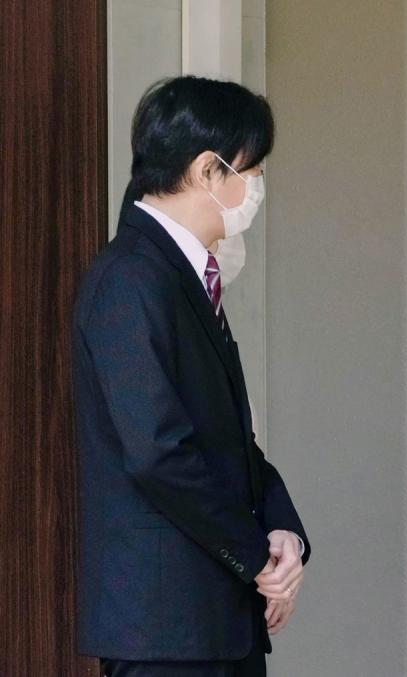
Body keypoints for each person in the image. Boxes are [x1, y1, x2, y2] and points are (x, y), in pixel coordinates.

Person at [72, 76, 309, 677]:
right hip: (166, 629)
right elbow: (159, 453)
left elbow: (227, 435)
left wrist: (282, 528)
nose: (257, 188)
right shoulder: (131, 279)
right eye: (252, 172)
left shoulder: (183, 275)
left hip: (211, 621)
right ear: (210, 171)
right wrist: (255, 557)